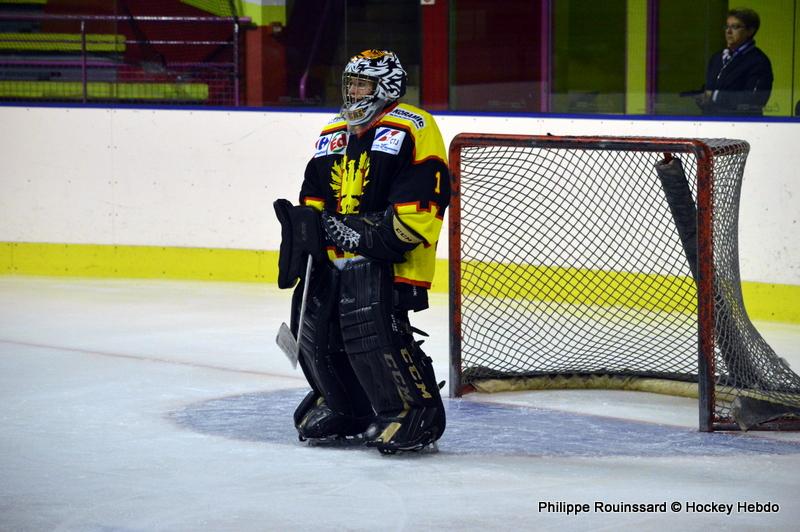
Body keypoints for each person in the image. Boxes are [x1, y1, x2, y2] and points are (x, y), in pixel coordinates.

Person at [274, 50, 449, 454]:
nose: (353, 92)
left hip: (385, 260)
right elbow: (315, 189)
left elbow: (420, 203)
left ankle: (411, 410)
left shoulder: (414, 126)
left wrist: (355, 232)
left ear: (386, 87)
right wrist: (304, 231)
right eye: (350, 83)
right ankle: (345, 406)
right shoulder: (333, 129)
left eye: (362, 85)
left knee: (370, 333)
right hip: (331, 259)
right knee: (314, 336)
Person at [697, 7, 773, 116]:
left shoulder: (758, 61)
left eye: (735, 27)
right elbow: (710, 90)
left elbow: (754, 100)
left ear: (750, 31)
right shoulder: (717, 58)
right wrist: (701, 97)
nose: (728, 31)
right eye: (727, 27)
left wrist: (715, 96)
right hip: (711, 124)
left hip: (742, 127)